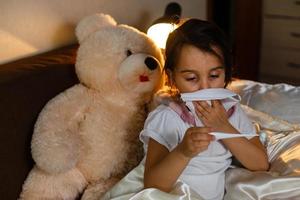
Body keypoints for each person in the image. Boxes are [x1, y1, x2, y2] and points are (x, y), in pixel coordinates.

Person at [139, 18, 269, 200]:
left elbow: (260, 164)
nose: (205, 87)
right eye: (192, 78)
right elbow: (152, 184)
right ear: (172, 77)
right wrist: (183, 152)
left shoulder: (231, 112)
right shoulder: (168, 117)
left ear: (226, 74)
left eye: (214, 75)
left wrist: (224, 127)